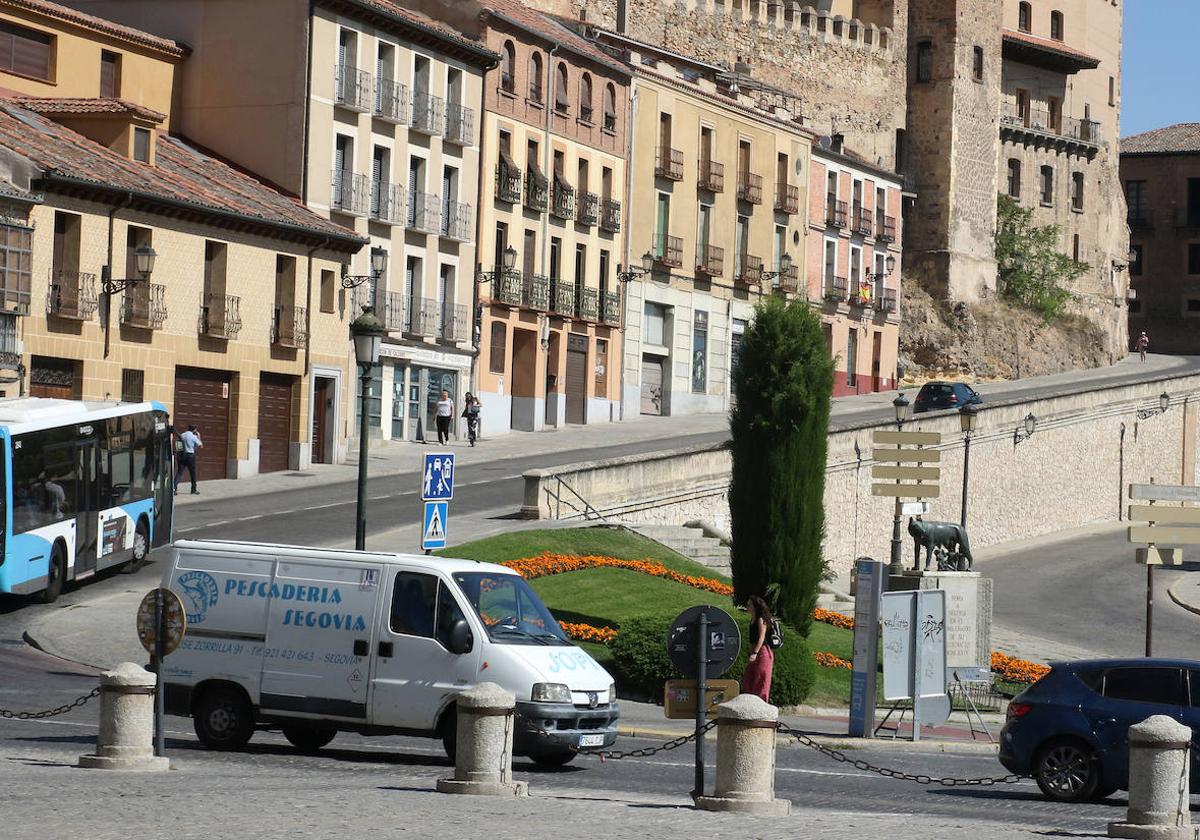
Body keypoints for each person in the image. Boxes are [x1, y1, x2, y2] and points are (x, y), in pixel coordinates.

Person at [741, 596, 775, 703]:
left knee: (761, 679)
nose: (747, 607)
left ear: (755, 607)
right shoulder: (752, 619)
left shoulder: (761, 619)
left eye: (749, 605)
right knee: (748, 677)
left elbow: (762, 637)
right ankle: (749, 702)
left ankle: (760, 703)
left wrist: (755, 652)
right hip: (754, 651)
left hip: (763, 652)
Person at [174, 424, 202, 495]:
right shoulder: (193, 436)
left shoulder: (182, 435)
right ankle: (193, 489)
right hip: (190, 456)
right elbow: (200, 445)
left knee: (179, 473)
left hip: (182, 455)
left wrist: (179, 453)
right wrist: (198, 436)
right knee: (193, 473)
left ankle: (174, 488)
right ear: (194, 429)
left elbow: (177, 444)